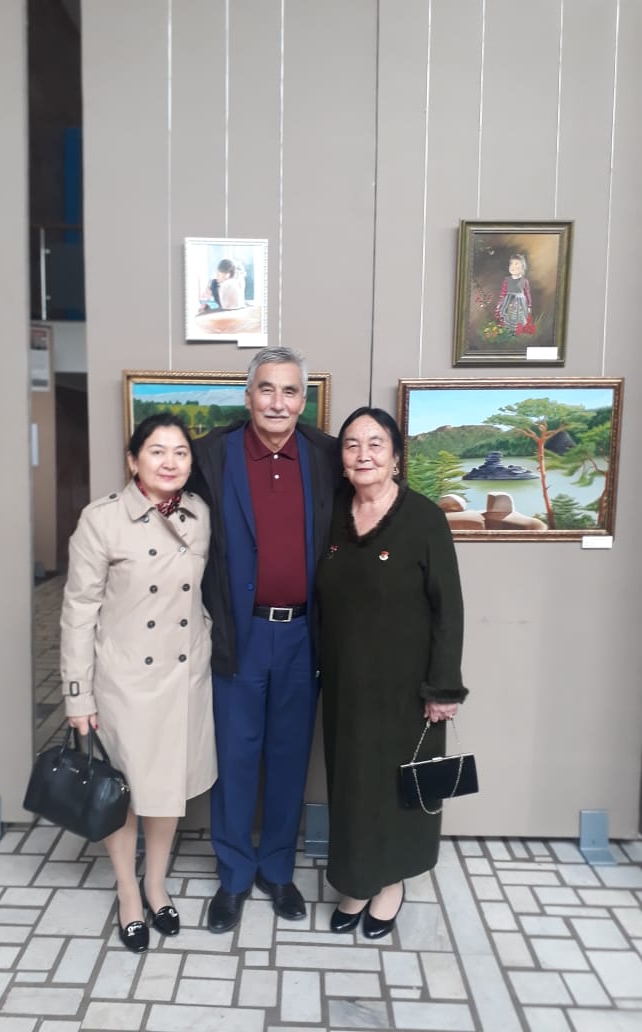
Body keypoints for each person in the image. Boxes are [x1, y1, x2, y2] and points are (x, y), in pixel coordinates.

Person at [192, 346, 339, 932]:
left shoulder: (326, 456)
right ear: (248, 395)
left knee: (288, 755)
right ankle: (233, 874)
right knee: (234, 754)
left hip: (303, 633)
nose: (278, 402)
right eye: (267, 389)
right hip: (239, 632)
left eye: (290, 391)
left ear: (303, 400)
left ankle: (277, 869)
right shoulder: (212, 455)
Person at [60, 413, 217, 954]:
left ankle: (156, 883)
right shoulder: (101, 519)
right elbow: (78, 612)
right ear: (133, 461)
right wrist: (77, 694)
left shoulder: (200, 514)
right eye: (156, 451)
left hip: (183, 673)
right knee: (123, 790)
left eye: (180, 452)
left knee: (166, 788)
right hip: (124, 679)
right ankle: (128, 890)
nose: (170, 462)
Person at [316, 407, 468, 939]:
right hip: (345, 685)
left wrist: (443, 688)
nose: (363, 455)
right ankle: (357, 881)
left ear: (397, 457)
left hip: (408, 689)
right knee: (353, 786)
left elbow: (449, 610)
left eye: (375, 443)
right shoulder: (331, 514)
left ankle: (391, 884)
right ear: (341, 459)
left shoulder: (424, 519)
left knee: (398, 787)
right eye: (352, 444)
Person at [495, 253, 532, 333]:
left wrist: (529, 305)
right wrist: (499, 303)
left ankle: (517, 331)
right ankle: (509, 331)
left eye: (516, 264)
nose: (512, 266)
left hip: (520, 304)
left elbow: (527, 294)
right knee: (508, 316)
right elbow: (503, 293)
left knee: (518, 317)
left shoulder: (524, 281)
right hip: (509, 302)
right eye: (511, 264)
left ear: (522, 267)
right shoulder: (507, 280)